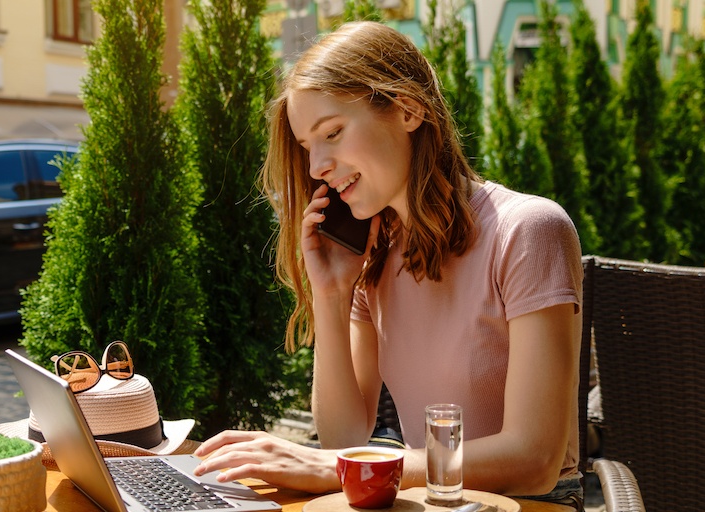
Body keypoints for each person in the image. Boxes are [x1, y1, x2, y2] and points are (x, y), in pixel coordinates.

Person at [193, 20, 584, 502]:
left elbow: (534, 461)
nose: (317, 167)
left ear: (408, 109)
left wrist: (337, 465)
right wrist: (332, 295)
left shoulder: (528, 231)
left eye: (332, 132)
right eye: (307, 147)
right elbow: (345, 441)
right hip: (429, 502)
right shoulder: (375, 260)